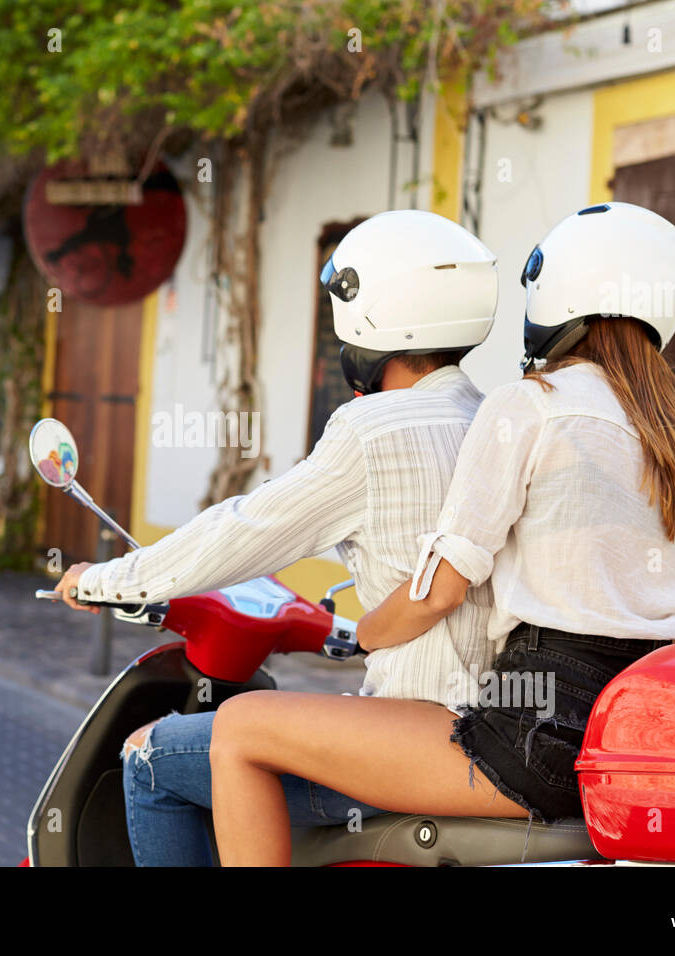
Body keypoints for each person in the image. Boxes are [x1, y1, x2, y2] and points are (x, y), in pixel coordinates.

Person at [208, 201, 675, 865]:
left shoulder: (531, 405)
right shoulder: (673, 444)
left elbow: (438, 592)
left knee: (240, 727)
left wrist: (360, 633)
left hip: (529, 741)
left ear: (556, 291)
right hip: (621, 739)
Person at [55, 210, 502, 865]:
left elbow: (245, 531)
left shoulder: (372, 429)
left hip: (414, 730)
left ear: (371, 319)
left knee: (152, 757)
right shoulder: (492, 418)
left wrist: (108, 578)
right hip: (498, 730)